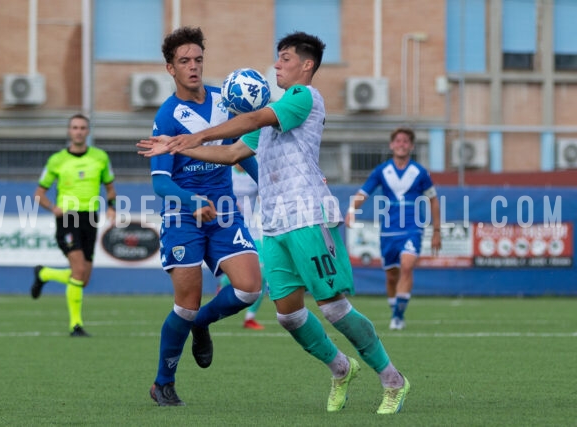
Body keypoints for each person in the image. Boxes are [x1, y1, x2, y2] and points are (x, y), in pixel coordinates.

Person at [138, 31, 410, 415]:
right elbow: (233, 152)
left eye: (284, 58)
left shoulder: (303, 98)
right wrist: (176, 145)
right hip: (277, 224)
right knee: (289, 314)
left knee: (332, 307)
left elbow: (251, 119)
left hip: (309, 218)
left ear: (306, 65)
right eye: (277, 58)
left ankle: (392, 379)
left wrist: (192, 136)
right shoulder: (260, 117)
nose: (276, 64)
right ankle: (340, 368)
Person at [146, 26, 262, 407]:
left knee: (249, 289)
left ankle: (202, 324)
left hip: (225, 213)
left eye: (198, 59)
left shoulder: (225, 102)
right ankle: (163, 382)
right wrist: (191, 200)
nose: (193, 66)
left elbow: (244, 151)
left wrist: (275, 186)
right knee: (186, 303)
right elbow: (161, 184)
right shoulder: (167, 117)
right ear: (170, 68)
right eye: (184, 61)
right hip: (184, 216)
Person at [345, 128, 441, 330]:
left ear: (411, 146)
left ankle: (398, 316)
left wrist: (437, 231)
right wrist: (352, 209)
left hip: (413, 228)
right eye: (398, 141)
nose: (401, 144)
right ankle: (394, 310)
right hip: (389, 229)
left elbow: (433, 200)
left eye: (406, 141)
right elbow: (364, 192)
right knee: (391, 275)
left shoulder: (420, 172)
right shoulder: (382, 170)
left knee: (407, 265)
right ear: (392, 145)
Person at [31, 113, 117, 337]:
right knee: (78, 271)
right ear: (69, 131)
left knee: (83, 279)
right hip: (67, 218)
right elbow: (39, 194)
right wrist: (53, 208)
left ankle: (45, 274)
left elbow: (109, 187)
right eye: (75, 127)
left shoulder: (100, 157)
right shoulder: (57, 160)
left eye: (82, 128)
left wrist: (111, 207)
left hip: (90, 218)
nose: (78, 131)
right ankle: (75, 325)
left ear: (87, 132)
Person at [217, 164, 267, 330]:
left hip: (251, 229)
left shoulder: (254, 168)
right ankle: (223, 285)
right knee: (235, 272)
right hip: (229, 228)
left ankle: (250, 317)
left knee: (263, 273)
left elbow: (266, 192)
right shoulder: (226, 170)